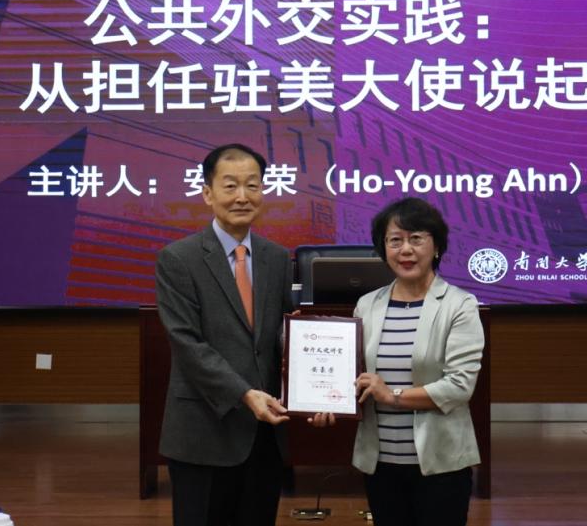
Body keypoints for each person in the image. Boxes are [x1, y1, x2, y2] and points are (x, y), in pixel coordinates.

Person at [310, 197, 485, 526]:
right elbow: (354, 376)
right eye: (395, 240)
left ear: (436, 247)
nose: (406, 249)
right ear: (383, 249)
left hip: (441, 464)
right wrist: (326, 400)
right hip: (381, 464)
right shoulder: (367, 305)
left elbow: (459, 386)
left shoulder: (460, 305)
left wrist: (393, 396)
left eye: (416, 238)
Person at [155, 143, 295, 526]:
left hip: (264, 434)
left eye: (252, 185)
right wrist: (243, 394)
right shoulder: (178, 259)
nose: (242, 196)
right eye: (230, 185)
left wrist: (315, 384)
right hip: (204, 431)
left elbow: (283, 336)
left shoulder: (277, 258)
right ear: (208, 193)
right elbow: (187, 343)